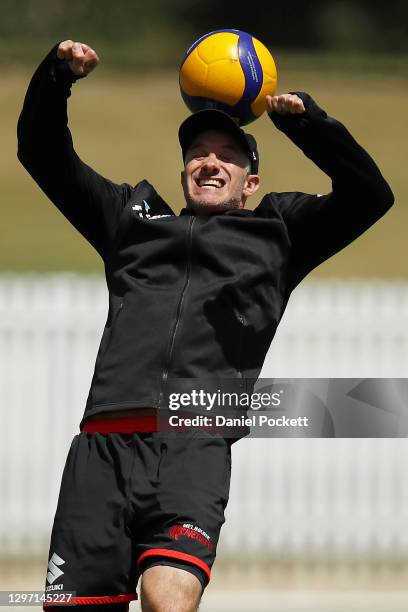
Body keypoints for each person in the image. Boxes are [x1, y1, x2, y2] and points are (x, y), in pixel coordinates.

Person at [17, 40, 394, 612]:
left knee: (168, 594)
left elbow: (371, 196)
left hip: (195, 445)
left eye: (227, 154)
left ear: (250, 182)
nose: (209, 161)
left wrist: (307, 124)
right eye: (198, 151)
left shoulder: (279, 235)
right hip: (102, 452)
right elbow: (41, 152)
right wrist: (56, 76)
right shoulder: (131, 223)